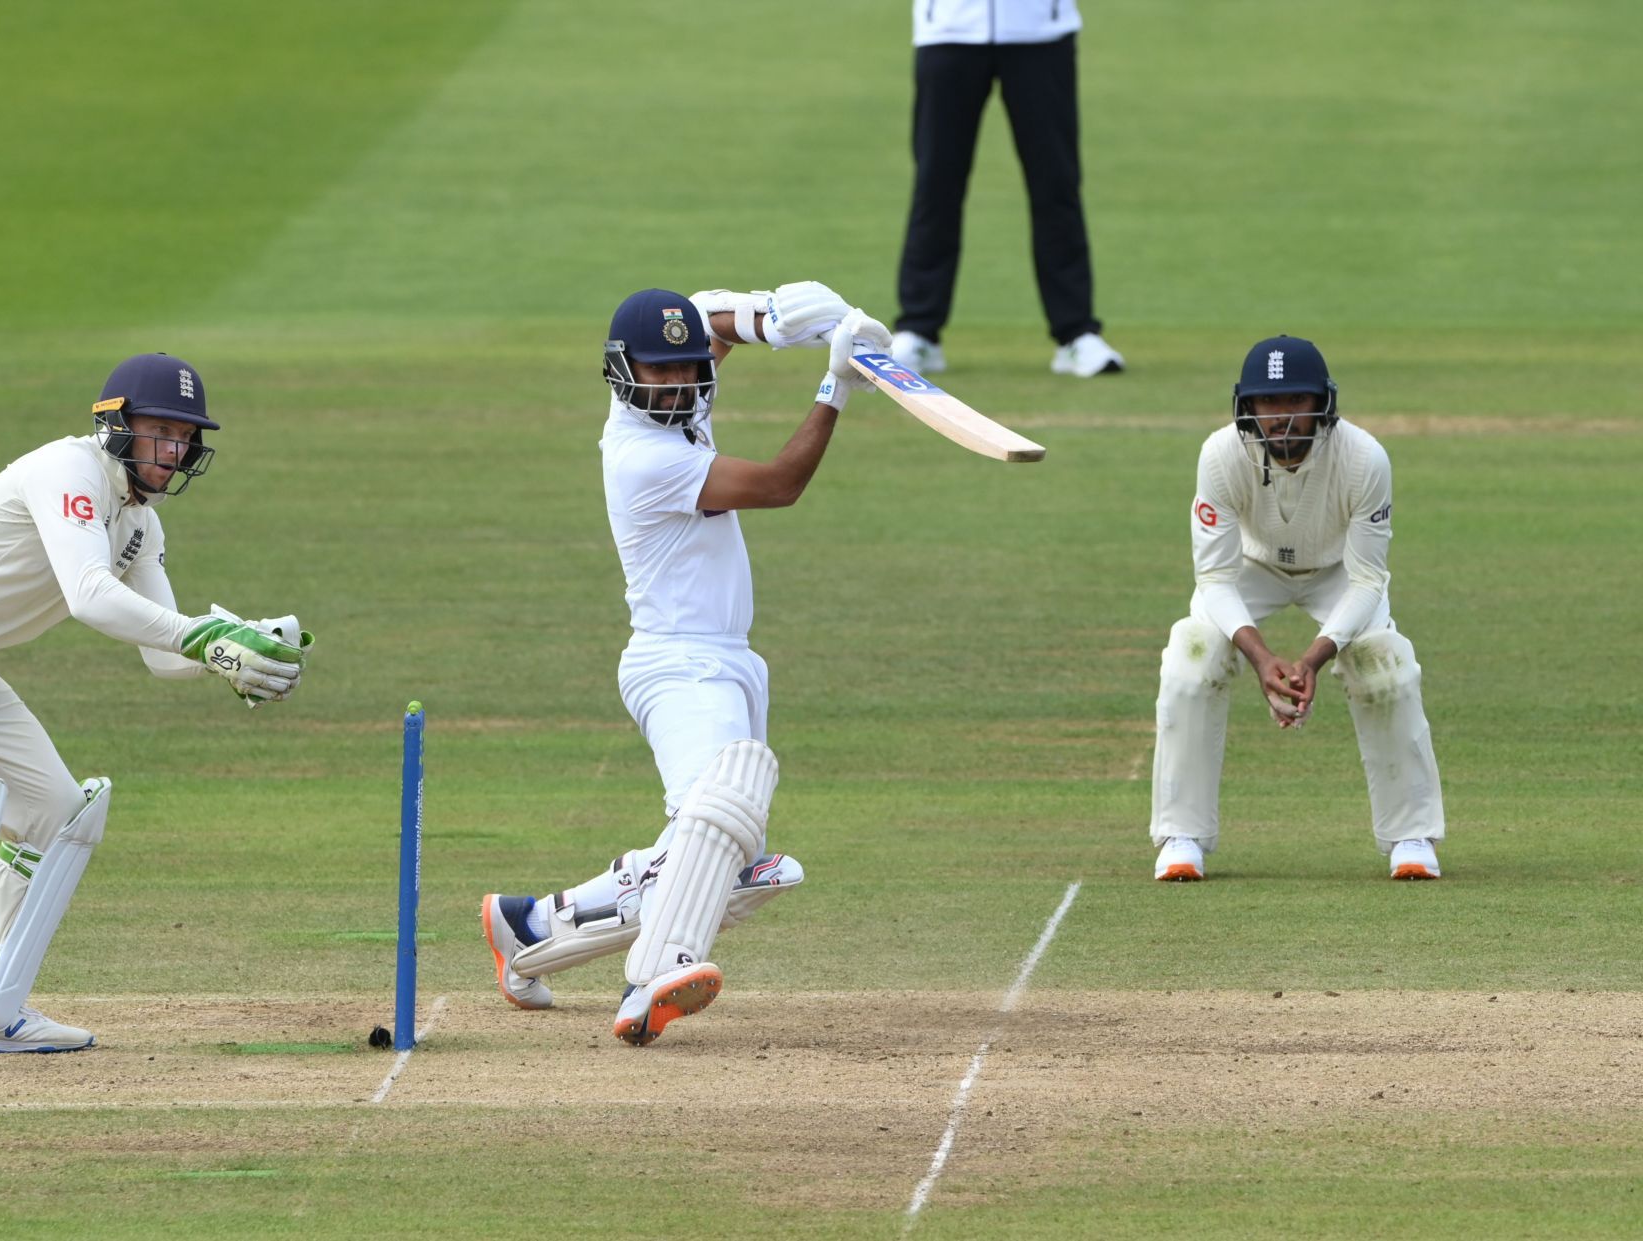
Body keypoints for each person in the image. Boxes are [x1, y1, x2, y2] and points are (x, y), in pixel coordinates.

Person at [0, 353, 311, 1075]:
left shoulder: (140, 524)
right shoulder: (67, 470)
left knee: (56, 809)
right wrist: (207, 639)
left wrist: (242, 640)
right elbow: (86, 593)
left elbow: (164, 652)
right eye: (159, 431)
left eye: (183, 436)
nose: (173, 450)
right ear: (116, 425)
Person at [481, 283, 889, 1045]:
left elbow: (707, 317)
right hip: (678, 664)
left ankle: (529, 924)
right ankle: (655, 977)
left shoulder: (679, 397)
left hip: (727, 660)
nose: (675, 387)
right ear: (620, 370)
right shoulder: (643, 456)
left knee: (714, 869)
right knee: (722, 814)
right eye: (658, 373)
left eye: (686, 371)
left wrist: (780, 321)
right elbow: (780, 485)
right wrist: (835, 383)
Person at [1147, 336, 1446, 882]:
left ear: (1322, 405)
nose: (1281, 418)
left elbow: (1367, 578)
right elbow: (1214, 575)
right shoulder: (1219, 454)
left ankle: (1411, 836)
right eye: (1267, 403)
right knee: (1191, 659)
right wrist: (1262, 660)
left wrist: (1311, 660)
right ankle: (1181, 835)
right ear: (1247, 407)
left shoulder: (1364, 458)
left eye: (1294, 402)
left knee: (1386, 666)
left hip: (1340, 574)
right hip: (1250, 570)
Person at [888, 0, 1123, 380]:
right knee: (936, 184)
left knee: (1055, 183)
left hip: (1040, 30)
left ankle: (1076, 334)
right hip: (947, 28)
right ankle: (919, 330)